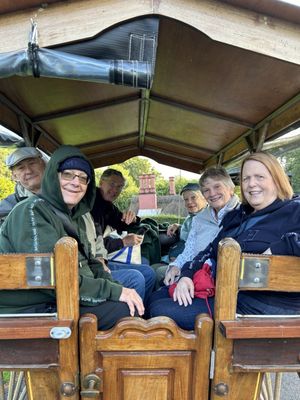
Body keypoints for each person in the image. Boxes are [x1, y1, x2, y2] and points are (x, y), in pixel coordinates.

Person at [149, 152, 300, 330]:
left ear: (276, 179)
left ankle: (204, 355)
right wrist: (187, 275)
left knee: (160, 310)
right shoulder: (239, 215)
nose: (252, 184)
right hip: (224, 292)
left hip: (259, 306)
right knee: (156, 297)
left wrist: (282, 247)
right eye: (246, 179)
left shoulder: (294, 210)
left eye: (260, 177)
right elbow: (209, 250)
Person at [0, 145, 144, 329]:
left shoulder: (73, 216)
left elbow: (91, 263)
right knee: (124, 310)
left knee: (130, 303)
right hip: (28, 309)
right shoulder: (32, 211)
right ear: (53, 177)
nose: (76, 182)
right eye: (68, 175)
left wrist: (118, 287)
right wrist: (114, 291)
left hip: (60, 295)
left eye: (83, 178)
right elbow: (48, 278)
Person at [163, 167, 240, 286]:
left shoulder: (243, 215)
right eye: (206, 190)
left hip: (223, 282)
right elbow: (189, 250)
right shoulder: (199, 219)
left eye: (217, 186)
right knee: (158, 295)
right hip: (195, 274)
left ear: (230, 188)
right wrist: (175, 266)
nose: (212, 193)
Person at [91, 168, 156, 303]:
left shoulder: (108, 206)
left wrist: (132, 218)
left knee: (149, 272)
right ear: (101, 182)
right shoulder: (92, 205)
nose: (115, 190)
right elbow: (94, 244)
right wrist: (123, 242)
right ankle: (133, 319)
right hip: (93, 265)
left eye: (119, 187)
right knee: (136, 277)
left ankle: (144, 316)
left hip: (101, 259)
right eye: (112, 184)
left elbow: (121, 223)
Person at [153, 182, 207, 287]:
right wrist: (178, 226)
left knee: (157, 272)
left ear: (204, 197)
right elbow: (189, 230)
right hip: (179, 256)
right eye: (186, 199)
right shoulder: (191, 216)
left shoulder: (205, 218)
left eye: (193, 197)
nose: (189, 202)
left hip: (191, 263)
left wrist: (176, 261)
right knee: (153, 267)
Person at [0, 147, 46, 224]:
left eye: (32, 163)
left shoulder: (66, 191)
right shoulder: (9, 206)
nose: (29, 171)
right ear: (14, 176)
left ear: (43, 164)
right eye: (21, 168)